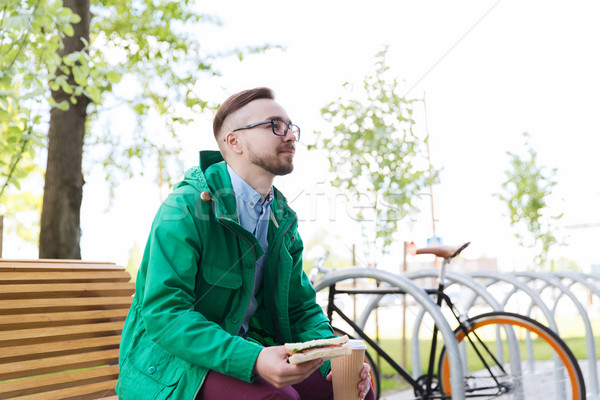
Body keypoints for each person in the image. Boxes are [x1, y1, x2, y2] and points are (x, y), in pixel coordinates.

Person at [116, 87, 374, 400]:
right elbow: (166, 313)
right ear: (234, 141)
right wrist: (252, 359)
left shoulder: (282, 219)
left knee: (352, 391)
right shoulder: (184, 207)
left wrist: (334, 355)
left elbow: (300, 308)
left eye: (291, 127)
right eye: (274, 125)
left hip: (249, 349)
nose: (290, 135)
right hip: (175, 368)